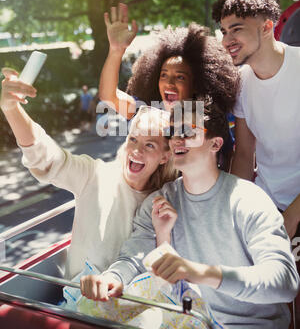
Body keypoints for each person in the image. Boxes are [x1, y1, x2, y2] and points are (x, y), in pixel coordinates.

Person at [79, 98, 299, 329]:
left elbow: (284, 281)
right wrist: (112, 278)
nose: (176, 140)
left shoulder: (249, 200)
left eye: (187, 132)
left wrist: (198, 272)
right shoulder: (158, 201)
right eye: (172, 133)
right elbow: (133, 257)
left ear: (215, 143)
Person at [0, 68, 177, 280]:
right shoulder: (96, 175)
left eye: (149, 145)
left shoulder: (165, 200)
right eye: (133, 139)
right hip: (78, 306)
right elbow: (46, 157)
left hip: (132, 304)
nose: (137, 151)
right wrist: (11, 109)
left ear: (165, 157)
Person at [99, 3, 240, 170]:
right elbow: (109, 96)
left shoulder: (208, 120)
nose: (169, 83)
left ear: (196, 84)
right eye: (163, 75)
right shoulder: (148, 112)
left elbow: (229, 157)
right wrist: (116, 51)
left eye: (180, 77)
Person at [212, 0, 300, 240]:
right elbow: (244, 155)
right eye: (224, 32)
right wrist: (235, 209)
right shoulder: (241, 82)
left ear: (266, 27)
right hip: (267, 206)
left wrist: (293, 216)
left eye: (237, 29)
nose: (227, 40)